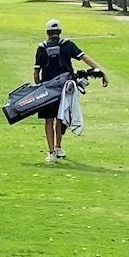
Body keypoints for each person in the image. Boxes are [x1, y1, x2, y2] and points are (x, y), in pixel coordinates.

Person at [32, 18, 106, 163]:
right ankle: (59, 147)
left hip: (47, 88)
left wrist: (38, 87)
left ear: (47, 32)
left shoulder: (41, 48)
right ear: (60, 31)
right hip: (65, 88)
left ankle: (51, 152)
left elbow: (36, 73)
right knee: (61, 117)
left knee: (48, 120)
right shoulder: (67, 45)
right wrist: (101, 71)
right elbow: (84, 58)